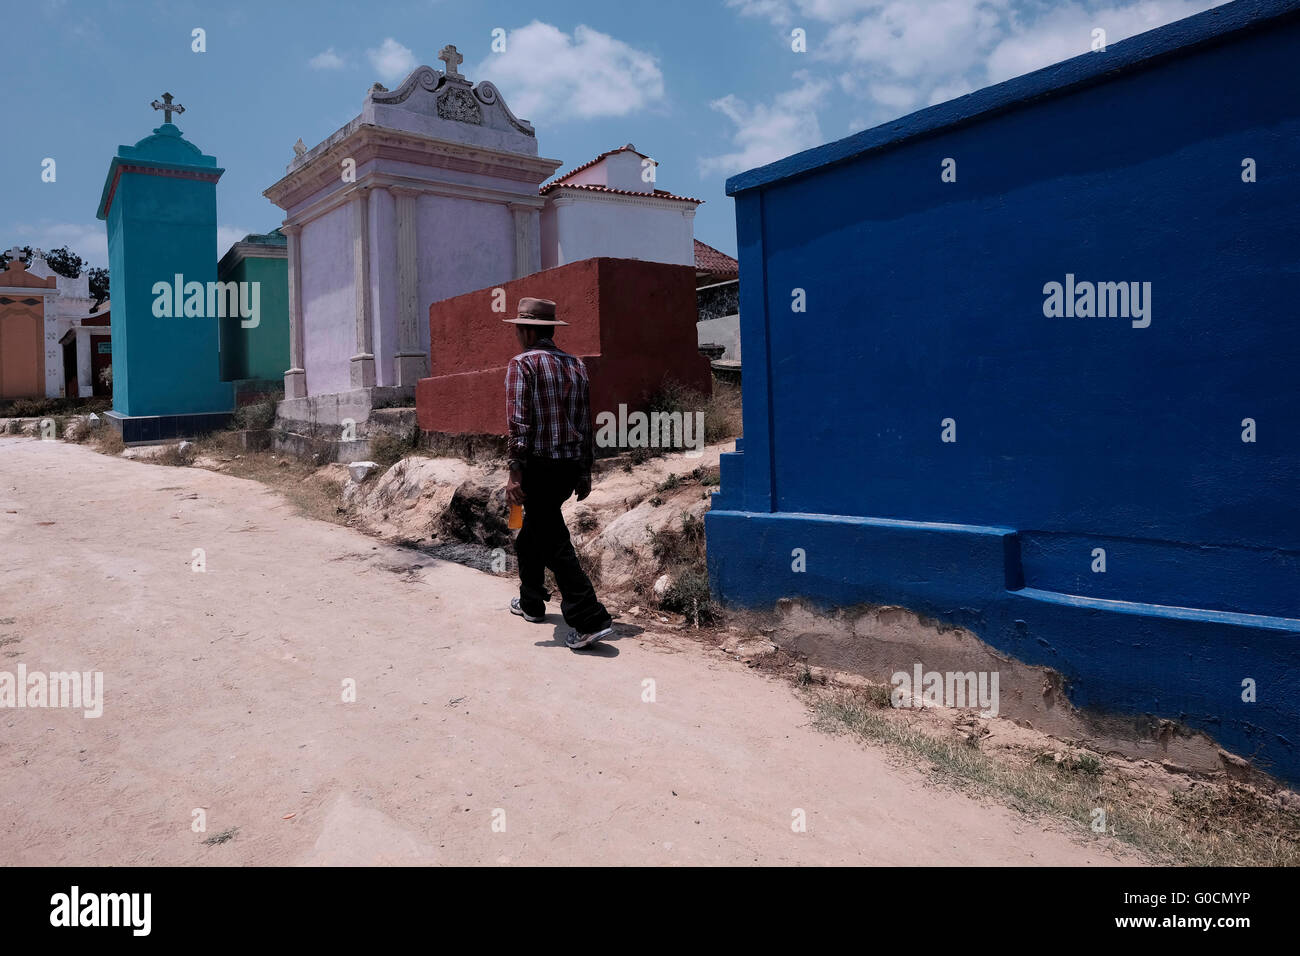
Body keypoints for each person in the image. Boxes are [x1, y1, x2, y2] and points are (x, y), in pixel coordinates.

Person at [503, 297, 613, 650]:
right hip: (567, 469)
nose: (518, 335)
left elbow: (519, 425)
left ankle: (589, 618)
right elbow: (584, 422)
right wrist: (584, 472)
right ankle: (532, 603)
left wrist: (515, 474)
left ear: (528, 330)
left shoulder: (523, 365)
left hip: (537, 467)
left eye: (520, 328)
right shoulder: (577, 365)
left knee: (553, 541)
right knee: (531, 534)